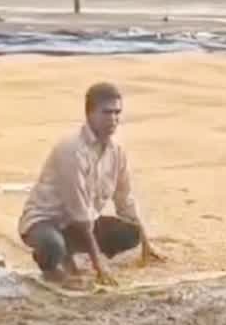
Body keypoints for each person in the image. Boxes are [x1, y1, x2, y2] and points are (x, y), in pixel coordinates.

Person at [18, 82, 162, 286]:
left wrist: (147, 245)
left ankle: (69, 250)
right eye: (106, 113)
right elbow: (80, 216)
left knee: (130, 234)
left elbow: (125, 200)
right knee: (52, 246)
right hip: (45, 221)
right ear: (90, 114)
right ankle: (52, 264)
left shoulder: (117, 152)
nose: (113, 119)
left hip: (81, 222)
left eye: (117, 113)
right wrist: (99, 267)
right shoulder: (72, 150)